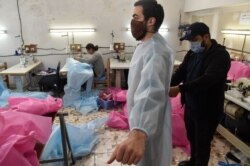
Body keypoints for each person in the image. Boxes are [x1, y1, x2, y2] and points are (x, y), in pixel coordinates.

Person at [107, 1, 174, 166]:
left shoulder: (155, 51)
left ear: (150, 21)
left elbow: (151, 92)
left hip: (147, 125)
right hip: (142, 121)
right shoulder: (146, 45)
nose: (132, 22)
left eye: (136, 17)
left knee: (149, 159)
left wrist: (140, 131)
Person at [169, 22, 231, 166]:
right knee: (192, 138)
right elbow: (181, 72)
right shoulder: (192, 53)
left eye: (194, 40)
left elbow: (207, 80)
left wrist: (180, 89)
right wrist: (166, 83)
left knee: (202, 143)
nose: (192, 44)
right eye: (190, 41)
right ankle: (193, 162)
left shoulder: (220, 55)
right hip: (191, 105)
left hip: (208, 109)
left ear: (206, 37)